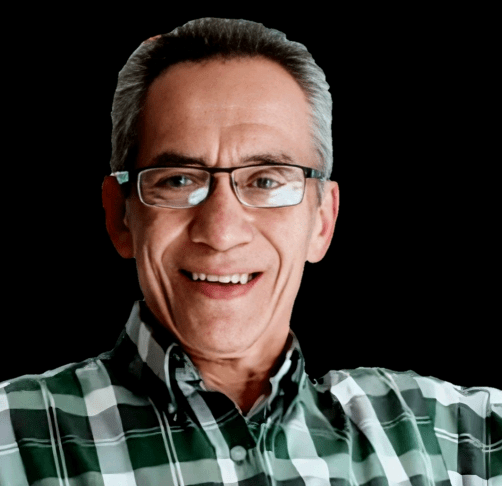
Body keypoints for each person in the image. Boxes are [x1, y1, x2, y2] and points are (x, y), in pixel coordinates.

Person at [0, 18, 500, 486]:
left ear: (322, 221)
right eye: (178, 180)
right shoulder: (12, 436)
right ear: (120, 217)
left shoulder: (454, 437)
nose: (221, 232)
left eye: (265, 181)